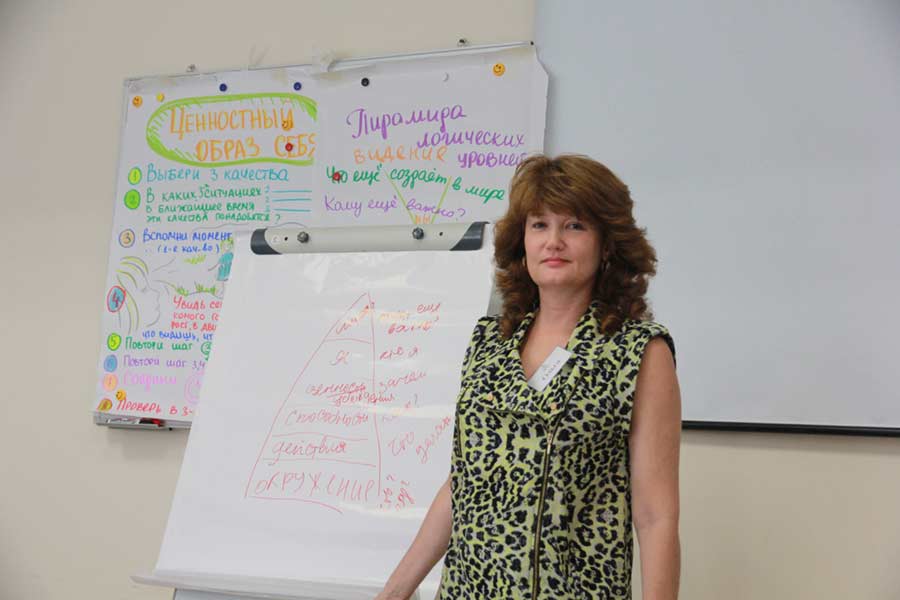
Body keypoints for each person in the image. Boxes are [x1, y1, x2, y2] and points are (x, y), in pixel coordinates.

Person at [376, 154, 681, 600]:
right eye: (539, 225)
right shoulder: (489, 343)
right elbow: (462, 485)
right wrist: (391, 594)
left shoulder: (638, 352)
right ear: (522, 241)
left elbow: (656, 518)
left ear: (606, 245)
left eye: (574, 226)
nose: (553, 241)